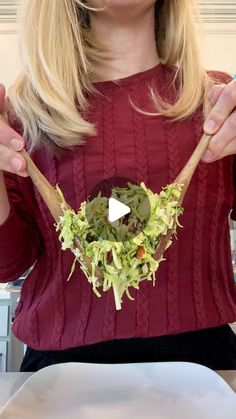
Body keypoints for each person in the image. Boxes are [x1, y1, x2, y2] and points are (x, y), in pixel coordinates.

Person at [0, 0, 236, 372]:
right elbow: (7, 263)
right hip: (59, 375)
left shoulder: (220, 104)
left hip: (205, 364)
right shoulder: (23, 117)